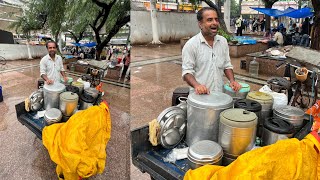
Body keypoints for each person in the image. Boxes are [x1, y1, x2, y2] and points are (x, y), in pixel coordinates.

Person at [182, 7, 241, 95]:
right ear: (200, 24)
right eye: (210, 20)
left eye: (216, 19)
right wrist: (197, 86)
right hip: (200, 97)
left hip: (219, 94)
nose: (214, 23)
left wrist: (232, 81)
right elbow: (187, 72)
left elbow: (227, 65)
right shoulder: (191, 45)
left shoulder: (223, 41)